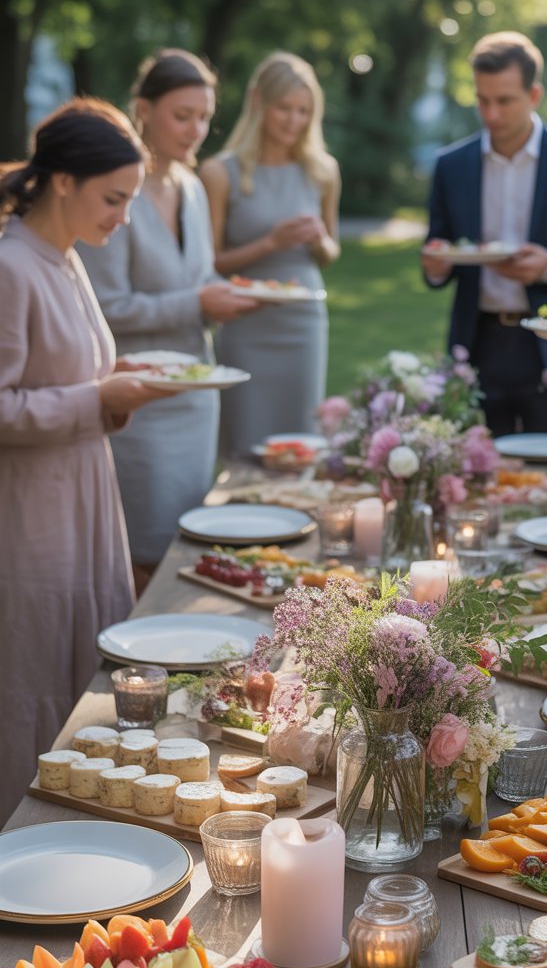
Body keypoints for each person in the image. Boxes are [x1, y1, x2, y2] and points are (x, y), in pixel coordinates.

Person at [0, 98, 166, 824]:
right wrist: (98, 394)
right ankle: (21, 844)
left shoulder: (64, 256)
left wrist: (118, 381)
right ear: (62, 181)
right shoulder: (11, 266)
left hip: (88, 502)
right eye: (113, 199)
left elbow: (67, 372)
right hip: (31, 516)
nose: (122, 219)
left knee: (86, 670)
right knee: (34, 682)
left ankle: (88, 822)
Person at [80, 50, 258, 588]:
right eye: (183, 115)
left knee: (187, 548)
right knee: (143, 554)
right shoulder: (113, 191)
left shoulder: (193, 187)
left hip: (198, 394)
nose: (196, 130)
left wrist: (231, 294)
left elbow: (200, 278)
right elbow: (108, 307)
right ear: (143, 109)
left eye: (204, 117)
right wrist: (199, 304)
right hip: (142, 406)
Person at [421, 30, 547, 437]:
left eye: (504, 100)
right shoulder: (451, 165)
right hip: (479, 342)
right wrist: (437, 264)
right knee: (480, 476)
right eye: (482, 99)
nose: (491, 113)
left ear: (534, 95)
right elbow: (438, 250)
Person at [200, 50, 341, 458]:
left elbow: (330, 253)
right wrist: (270, 243)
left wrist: (317, 240)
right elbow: (210, 263)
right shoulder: (219, 173)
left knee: (300, 441)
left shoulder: (323, 170)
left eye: (303, 111)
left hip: (304, 322)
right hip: (247, 324)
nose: (294, 121)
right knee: (248, 441)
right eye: (285, 108)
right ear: (258, 101)